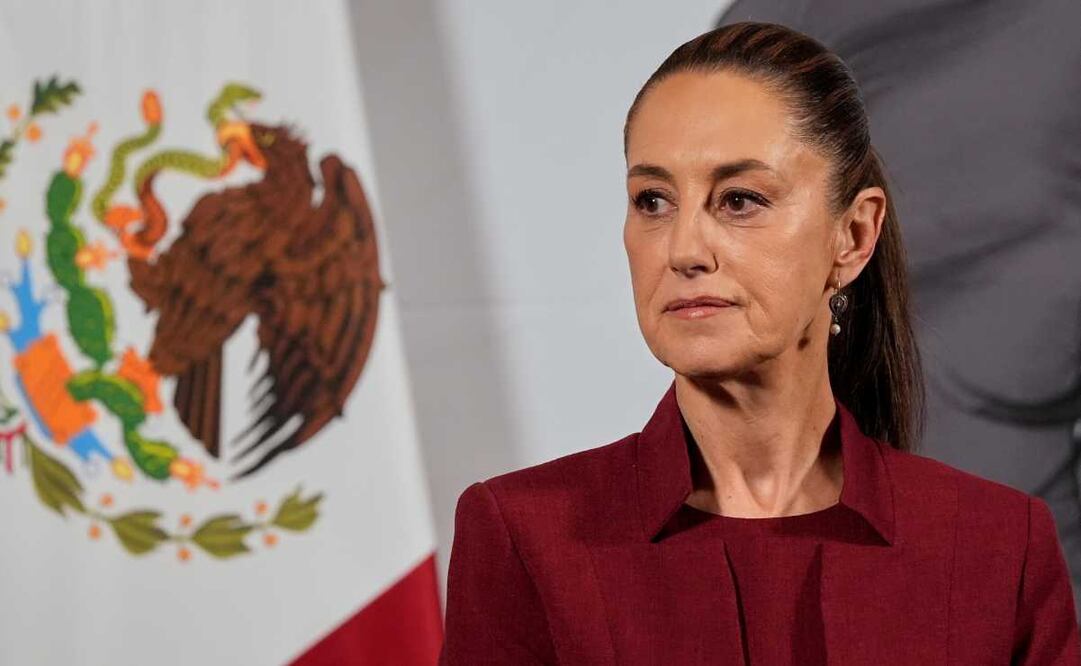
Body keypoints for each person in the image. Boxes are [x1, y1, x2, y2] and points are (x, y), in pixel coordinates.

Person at [438, 22, 1081, 664]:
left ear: (853, 236)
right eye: (653, 200)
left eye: (739, 200)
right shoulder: (523, 534)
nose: (684, 249)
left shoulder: (999, 545)